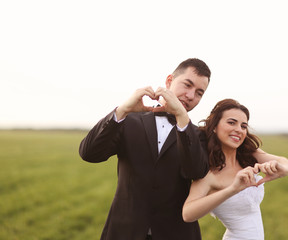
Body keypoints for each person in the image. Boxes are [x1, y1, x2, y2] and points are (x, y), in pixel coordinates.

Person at [79, 58, 211, 240]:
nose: (190, 95)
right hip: (124, 231)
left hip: (176, 234)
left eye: (199, 93)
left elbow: (194, 171)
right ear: (169, 80)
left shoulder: (199, 135)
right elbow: (89, 153)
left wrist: (181, 116)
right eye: (187, 85)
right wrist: (123, 110)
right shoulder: (128, 120)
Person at [182, 99, 288, 240]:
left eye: (243, 126)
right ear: (214, 126)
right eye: (231, 122)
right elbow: (187, 214)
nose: (239, 130)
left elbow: (285, 162)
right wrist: (233, 189)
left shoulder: (248, 154)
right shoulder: (209, 173)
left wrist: (279, 169)